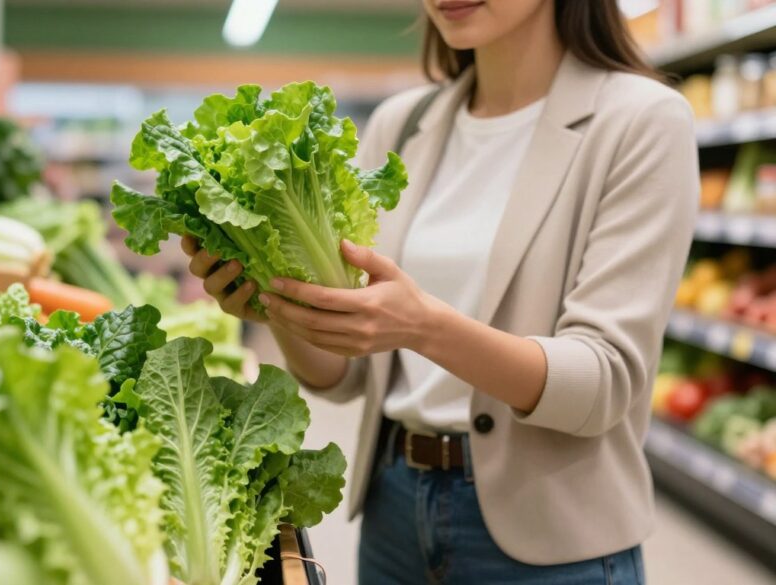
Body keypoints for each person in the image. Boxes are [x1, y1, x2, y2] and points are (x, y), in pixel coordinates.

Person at [181, 0, 698, 583]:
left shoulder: (642, 120)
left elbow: (604, 383)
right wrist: (274, 302)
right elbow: (346, 373)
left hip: (551, 535)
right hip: (393, 510)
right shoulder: (401, 124)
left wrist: (425, 327)